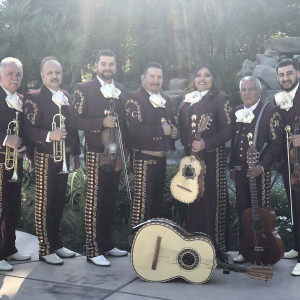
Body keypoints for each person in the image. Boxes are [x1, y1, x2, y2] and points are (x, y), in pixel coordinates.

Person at [71, 49, 128, 267]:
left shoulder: (121, 90)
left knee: (110, 199)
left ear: (116, 66)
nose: (107, 68)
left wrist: (126, 150)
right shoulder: (83, 89)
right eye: (103, 63)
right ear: (96, 65)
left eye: (111, 64)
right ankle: (92, 249)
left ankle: (105, 243)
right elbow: (74, 120)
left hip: (116, 152)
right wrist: (100, 123)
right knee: (95, 200)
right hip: (96, 151)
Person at [23, 56, 81, 265]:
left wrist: (75, 153)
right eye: (50, 73)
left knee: (58, 202)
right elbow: (28, 130)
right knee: (44, 204)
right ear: (42, 75)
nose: (54, 76)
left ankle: (56, 244)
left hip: (63, 156)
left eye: (57, 72)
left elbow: (72, 127)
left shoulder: (66, 95)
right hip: (45, 156)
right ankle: (44, 248)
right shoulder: (34, 96)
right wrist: (50, 135)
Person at [178, 63, 233, 252]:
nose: (202, 79)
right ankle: (194, 246)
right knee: (193, 198)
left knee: (212, 200)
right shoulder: (186, 101)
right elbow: (183, 130)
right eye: (198, 75)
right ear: (193, 78)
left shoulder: (221, 99)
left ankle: (216, 248)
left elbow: (228, 131)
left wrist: (205, 143)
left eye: (207, 75)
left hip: (212, 158)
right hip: (191, 157)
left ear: (213, 79)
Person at [229, 76, 282, 263]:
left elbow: (277, 144)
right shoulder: (236, 111)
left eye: (251, 89)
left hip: (260, 169)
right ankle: (245, 249)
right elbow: (234, 142)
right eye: (243, 90)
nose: (247, 93)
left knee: (261, 210)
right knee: (242, 210)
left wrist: (262, 166)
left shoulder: (270, 110)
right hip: (241, 169)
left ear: (259, 92)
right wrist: (232, 167)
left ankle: (265, 249)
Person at [125, 62, 178, 227]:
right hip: (143, 159)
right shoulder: (133, 98)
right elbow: (134, 129)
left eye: (159, 77)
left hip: (161, 159)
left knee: (156, 206)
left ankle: (152, 248)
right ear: (143, 78)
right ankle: (137, 247)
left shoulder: (166, 99)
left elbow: (171, 124)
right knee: (142, 207)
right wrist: (162, 131)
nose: (156, 81)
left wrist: (175, 133)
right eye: (152, 76)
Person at [0, 57, 31, 271]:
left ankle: (9, 248)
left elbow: (25, 129)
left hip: (15, 162)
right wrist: (5, 139)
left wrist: (25, 145)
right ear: (1, 75)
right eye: (10, 74)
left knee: (13, 206)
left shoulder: (21, 99)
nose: (15, 77)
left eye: (18, 74)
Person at [275, 59, 300, 275]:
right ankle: (297, 246)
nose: (285, 78)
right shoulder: (279, 100)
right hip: (289, 163)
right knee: (295, 206)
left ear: (298, 73)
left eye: (289, 73)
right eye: (281, 75)